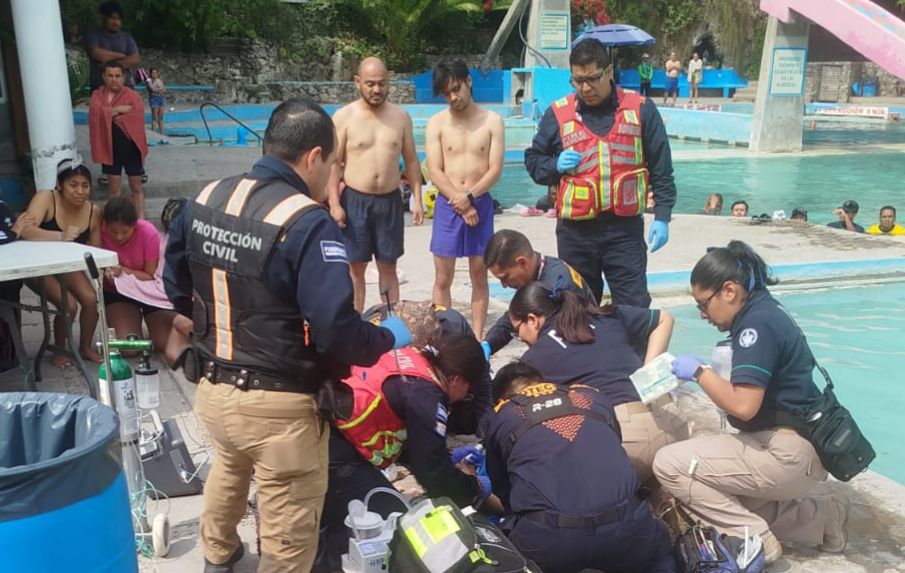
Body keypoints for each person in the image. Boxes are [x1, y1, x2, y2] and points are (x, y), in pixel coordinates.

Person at [164, 97, 411, 573]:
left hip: (213, 391)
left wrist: (213, 327)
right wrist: (386, 338)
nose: (333, 176)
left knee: (229, 468)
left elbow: (174, 285)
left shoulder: (205, 197)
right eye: (334, 165)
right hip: (279, 410)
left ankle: (218, 557)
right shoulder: (307, 221)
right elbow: (336, 331)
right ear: (314, 157)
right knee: (288, 542)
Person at [652, 241, 849, 565]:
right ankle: (823, 517)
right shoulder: (766, 308)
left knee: (669, 464)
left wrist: (699, 372)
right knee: (714, 500)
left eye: (703, 304)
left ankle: (755, 539)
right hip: (800, 449)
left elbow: (744, 406)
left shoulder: (755, 327)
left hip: (785, 453)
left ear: (729, 291)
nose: (703, 314)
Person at [316, 335, 492, 572]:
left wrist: (445, 455)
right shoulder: (427, 394)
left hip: (327, 435)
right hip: (336, 453)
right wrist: (474, 487)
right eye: (468, 392)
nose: (463, 399)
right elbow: (433, 476)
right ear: (457, 379)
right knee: (397, 528)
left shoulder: (413, 360)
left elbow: (416, 445)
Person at [524, 39, 677, 307]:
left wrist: (662, 216)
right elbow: (534, 162)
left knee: (634, 307)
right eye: (578, 80)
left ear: (609, 72)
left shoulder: (641, 109)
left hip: (624, 231)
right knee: (578, 309)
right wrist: (555, 165)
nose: (585, 88)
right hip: (575, 233)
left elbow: (661, 168)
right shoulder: (558, 114)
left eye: (593, 79)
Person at [484, 362, 675, 573]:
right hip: (628, 530)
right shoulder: (592, 396)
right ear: (542, 382)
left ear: (502, 398)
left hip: (551, 543)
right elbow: (613, 445)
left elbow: (504, 491)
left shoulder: (503, 415)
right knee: (659, 548)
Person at [507, 282, 686, 482]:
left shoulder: (535, 358)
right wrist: (647, 376)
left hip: (627, 444)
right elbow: (665, 318)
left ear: (532, 320)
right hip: (674, 424)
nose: (519, 337)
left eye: (517, 330)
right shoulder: (606, 315)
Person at [328, 57, 423, 312]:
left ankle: (391, 322)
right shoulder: (344, 117)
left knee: (388, 266)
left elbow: (411, 160)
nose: (377, 89)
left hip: (389, 201)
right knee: (355, 268)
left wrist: (417, 199)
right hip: (355, 200)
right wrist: (334, 204)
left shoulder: (400, 117)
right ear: (357, 82)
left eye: (382, 83)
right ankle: (353, 322)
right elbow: (333, 164)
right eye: (370, 84)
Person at [427, 60, 504, 339]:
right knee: (442, 277)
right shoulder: (437, 123)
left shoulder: (492, 121)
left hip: (479, 202)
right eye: (446, 93)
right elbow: (435, 169)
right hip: (448, 204)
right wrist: (459, 201)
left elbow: (494, 169)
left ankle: (478, 337)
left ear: (468, 81)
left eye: (456, 89)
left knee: (479, 274)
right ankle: (444, 337)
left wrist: (469, 197)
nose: (453, 97)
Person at [19, 158, 103, 366]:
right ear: (59, 185)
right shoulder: (46, 198)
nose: (80, 191)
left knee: (90, 298)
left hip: (65, 265)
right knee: (69, 305)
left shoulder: (93, 211)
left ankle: (85, 347)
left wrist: (109, 267)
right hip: (36, 263)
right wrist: (60, 236)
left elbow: (95, 250)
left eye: (85, 186)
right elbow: (25, 230)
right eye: (73, 185)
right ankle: (60, 348)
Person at [100, 196, 191, 362]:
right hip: (117, 294)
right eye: (113, 232)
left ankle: (173, 325)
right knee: (129, 348)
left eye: (125, 232)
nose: (119, 236)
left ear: (134, 225)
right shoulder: (99, 231)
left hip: (147, 292)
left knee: (164, 342)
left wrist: (123, 271)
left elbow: (150, 275)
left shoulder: (148, 232)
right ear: (105, 225)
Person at [482, 229, 595, 356]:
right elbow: (514, 317)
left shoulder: (555, 287)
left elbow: (551, 345)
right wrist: (488, 344)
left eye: (505, 277)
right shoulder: (539, 271)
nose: (504, 285)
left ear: (522, 263)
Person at [89, 60, 149, 218]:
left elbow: (136, 116)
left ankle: (140, 221)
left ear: (123, 77)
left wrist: (107, 113)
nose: (113, 79)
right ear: (103, 76)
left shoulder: (133, 96)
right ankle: (115, 220)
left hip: (132, 149)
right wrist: (119, 110)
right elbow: (95, 114)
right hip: (109, 149)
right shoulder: (97, 95)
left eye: (117, 76)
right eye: (110, 76)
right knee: (114, 189)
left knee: (136, 188)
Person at [84, 1, 140, 91]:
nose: (116, 22)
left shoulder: (127, 37)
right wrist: (122, 56)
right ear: (103, 17)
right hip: (100, 90)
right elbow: (95, 52)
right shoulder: (93, 34)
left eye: (119, 19)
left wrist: (109, 65)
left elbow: (135, 59)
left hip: (126, 89)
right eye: (112, 18)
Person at [146, 68, 167, 134]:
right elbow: (152, 89)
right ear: (150, 74)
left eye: (156, 73)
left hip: (161, 98)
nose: (154, 74)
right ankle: (154, 133)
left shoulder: (159, 80)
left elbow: (164, 89)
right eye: (153, 73)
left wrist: (159, 90)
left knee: (161, 118)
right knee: (154, 117)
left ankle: (162, 133)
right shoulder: (149, 80)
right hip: (154, 99)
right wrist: (159, 90)